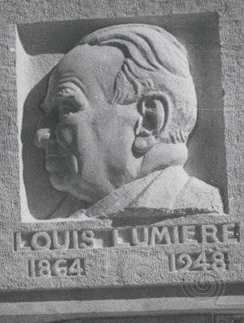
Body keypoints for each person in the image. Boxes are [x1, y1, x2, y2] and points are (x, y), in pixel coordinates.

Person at [34, 23, 223, 221]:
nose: (41, 136)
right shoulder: (69, 215)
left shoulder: (193, 202)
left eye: (66, 108)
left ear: (149, 122)